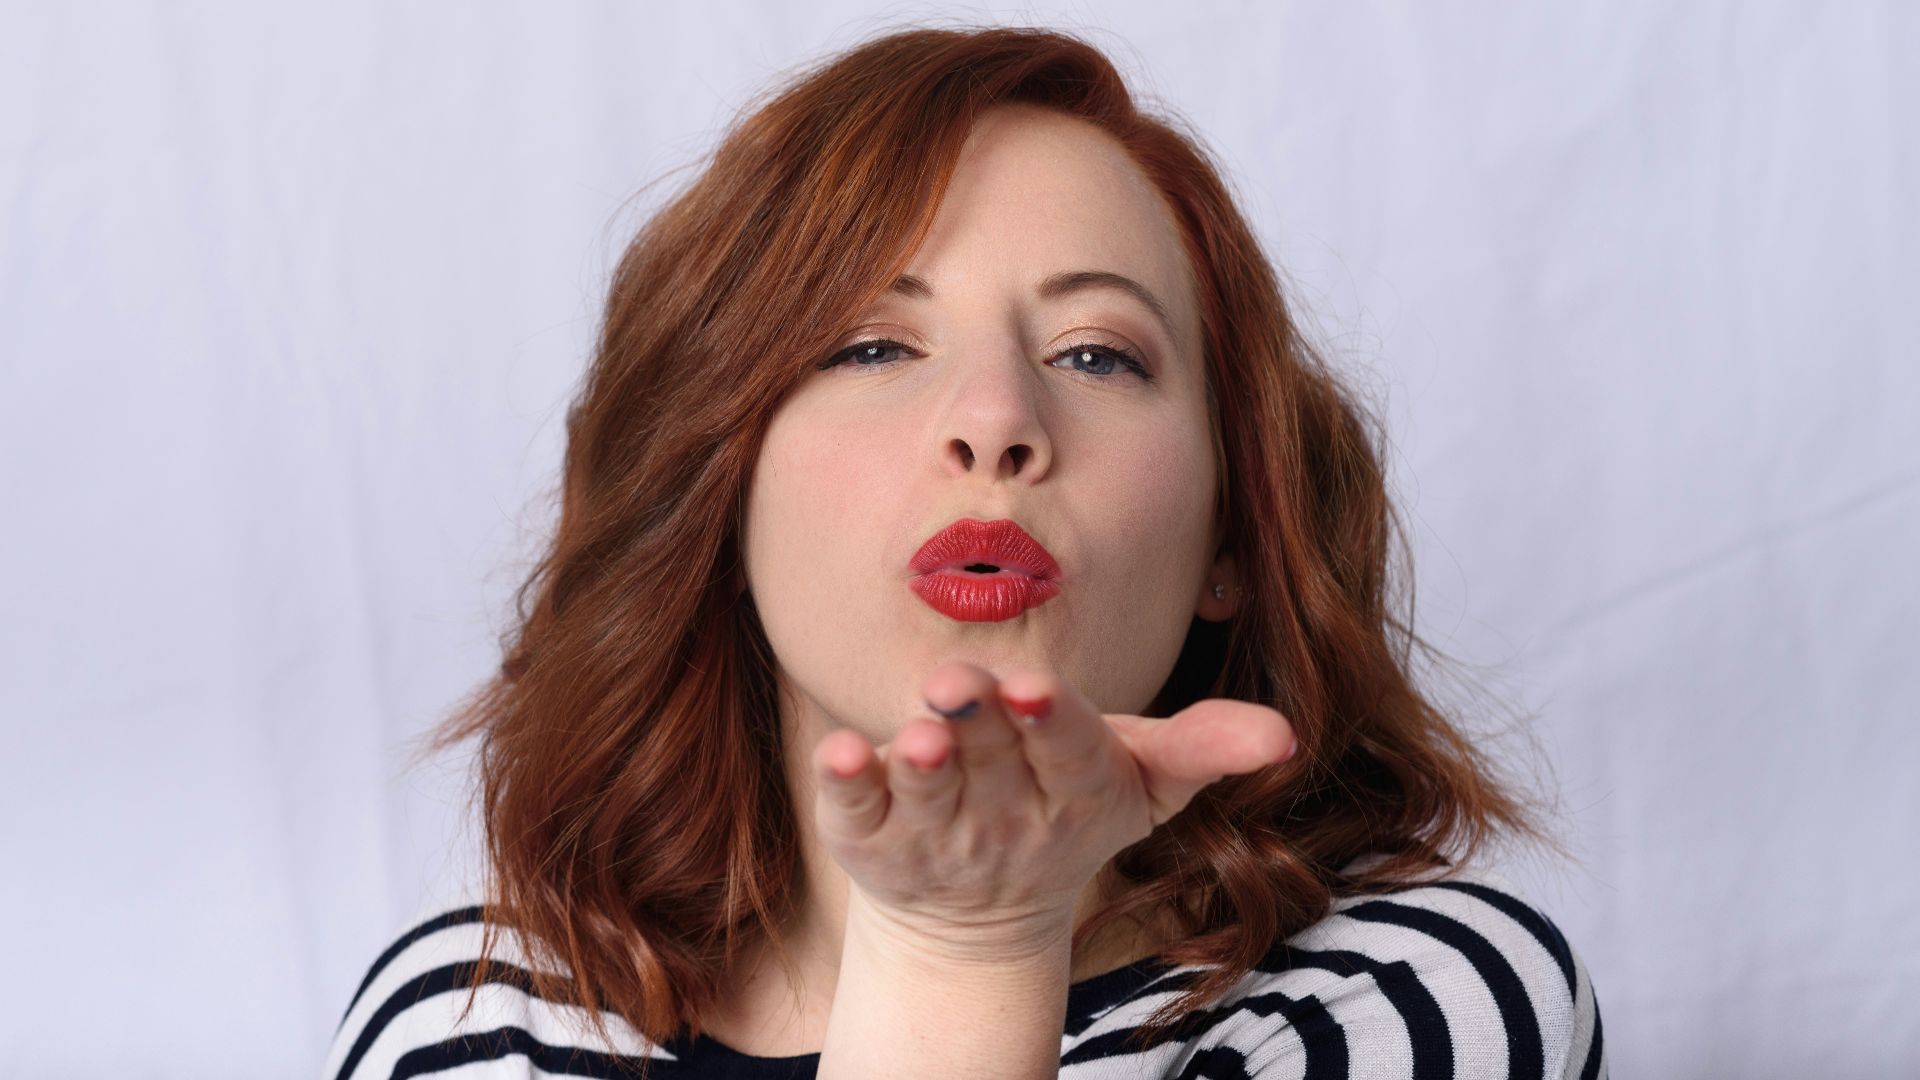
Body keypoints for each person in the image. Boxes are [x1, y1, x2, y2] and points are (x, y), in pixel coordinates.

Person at [324, 23, 1607, 1080]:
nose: (997, 420)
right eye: (872, 346)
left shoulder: (1415, 1001)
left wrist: (972, 949)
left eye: (1097, 354)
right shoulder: (473, 1024)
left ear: (1234, 531)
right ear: (716, 495)